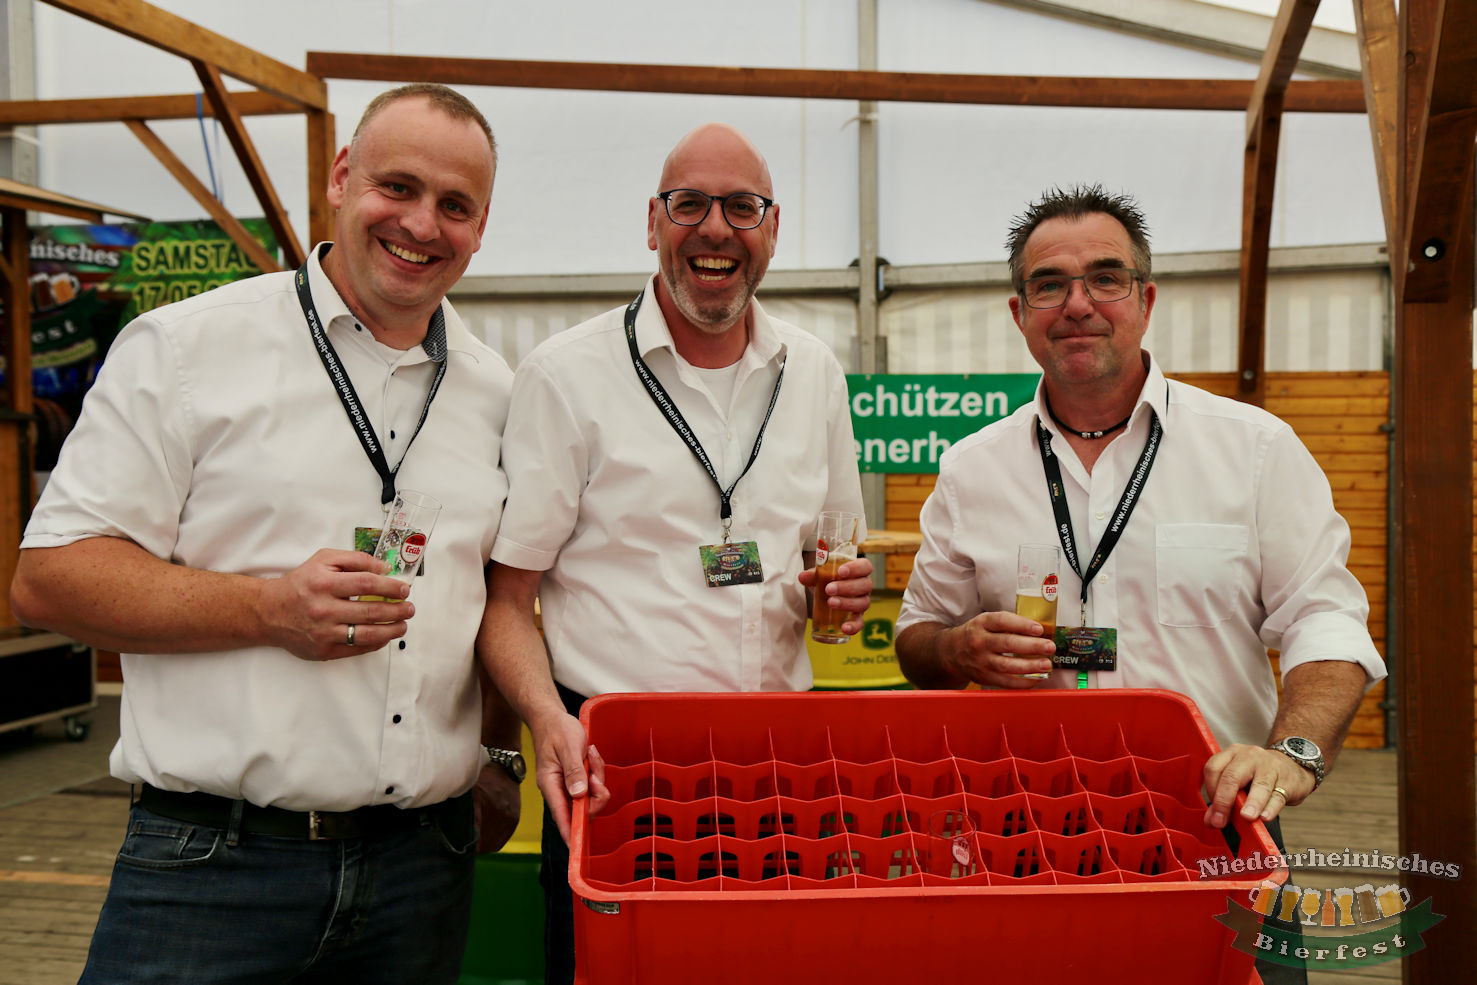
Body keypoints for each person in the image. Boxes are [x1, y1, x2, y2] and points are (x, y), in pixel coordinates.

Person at [9, 83, 521, 985]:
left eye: (455, 204)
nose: (420, 224)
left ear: (481, 226)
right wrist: (265, 608)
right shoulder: (185, 350)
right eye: (397, 187)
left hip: (421, 872)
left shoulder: (497, 392)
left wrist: (499, 755)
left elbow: (502, 595)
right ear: (340, 177)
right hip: (214, 871)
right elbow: (49, 579)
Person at [893, 184, 1385, 983]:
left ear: (1145, 300)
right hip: (1024, 833)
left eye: (1104, 277)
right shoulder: (970, 468)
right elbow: (917, 638)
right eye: (1048, 284)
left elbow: (1325, 618)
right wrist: (955, 649)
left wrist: (1292, 752)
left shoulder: (1253, 448)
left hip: (1212, 823)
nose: (1076, 303)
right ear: (1019, 313)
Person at [477, 122, 873, 984]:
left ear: (773, 227)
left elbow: (829, 563)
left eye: (742, 206)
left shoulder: (813, 371)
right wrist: (540, 723)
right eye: (689, 204)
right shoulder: (564, 375)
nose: (715, 228)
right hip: (619, 770)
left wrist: (836, 597)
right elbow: (505, 601)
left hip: (777, 770)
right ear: (652, 222)